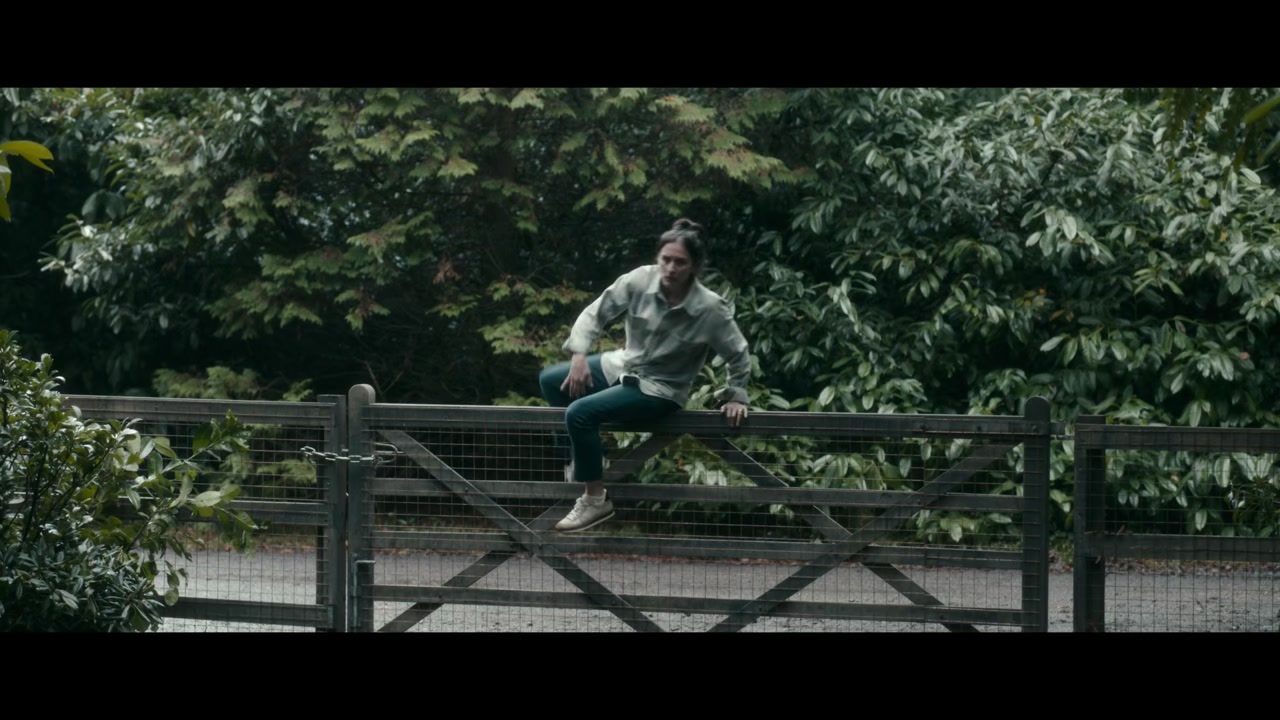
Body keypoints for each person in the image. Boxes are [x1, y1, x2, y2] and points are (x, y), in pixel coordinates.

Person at [539, 218, 751, 532]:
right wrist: (579, 354)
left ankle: (595, 500)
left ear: (694, 266)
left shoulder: (710, 309)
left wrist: (735, 395)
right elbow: (596, 312)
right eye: (666, 259)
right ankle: (581, 461)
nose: (671, 268)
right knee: (551, 380)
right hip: (623, 365)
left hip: (661, 389)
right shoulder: (639, 280)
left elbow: (738, 353)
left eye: (680, 262)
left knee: (580, 413)